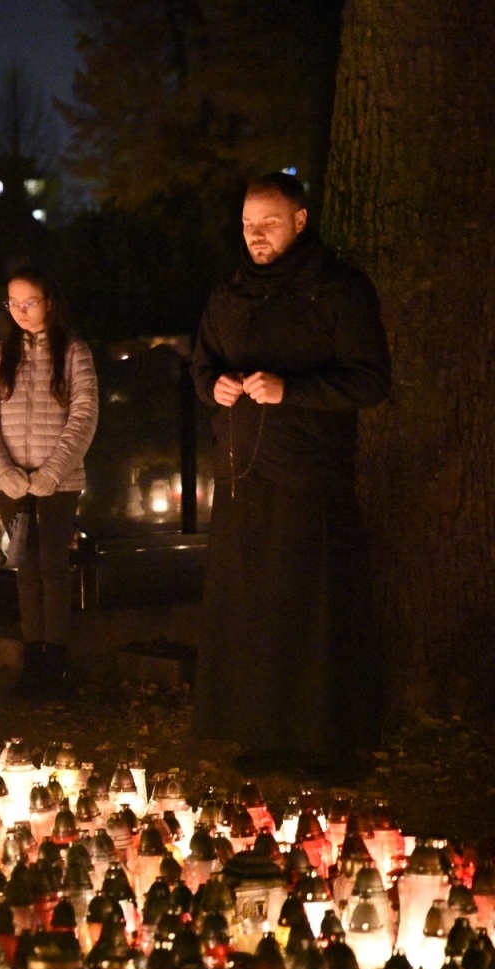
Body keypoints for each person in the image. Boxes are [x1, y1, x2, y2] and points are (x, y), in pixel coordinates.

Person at [189, 172, 391, 773]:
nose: (256, 235)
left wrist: (291, 391)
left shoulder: (337, 289)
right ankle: (261, 734)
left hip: (312, 475)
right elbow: (202, 366)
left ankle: (327, 743)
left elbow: (371, 380)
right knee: (251, 607)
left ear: (300, 222)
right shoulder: (229, 294)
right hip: (242, 474)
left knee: (313, 607)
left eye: (269, 224)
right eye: (249, 225)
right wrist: (214, 386)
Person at [0, 268, 100, 699]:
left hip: (58, 483)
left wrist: (52, 473)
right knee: (26, 570)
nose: (21, 311)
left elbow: (84, 415)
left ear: (49, 301)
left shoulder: (73, 351)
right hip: (11, 482)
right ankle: (33, 661)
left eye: (29, 302)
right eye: (13, 304)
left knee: (53, 567)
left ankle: (56, 663)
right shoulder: (0, 353)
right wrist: (2, 471)